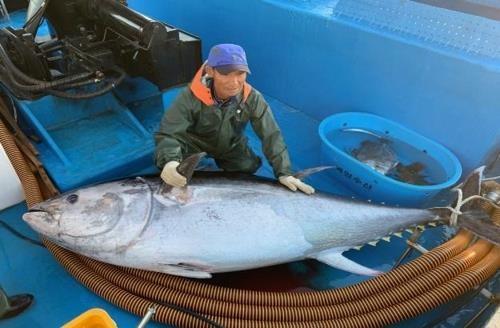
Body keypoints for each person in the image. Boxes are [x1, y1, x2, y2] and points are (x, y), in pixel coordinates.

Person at [154, 43, 314, 194]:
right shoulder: (188, 97)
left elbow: (271, 134)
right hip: (194, 144)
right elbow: (169, 133)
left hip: (230, 145)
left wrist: (284, 172)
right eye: (225, 73)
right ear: (210, 71)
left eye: (240, 73)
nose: (234, 82)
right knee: (170, 173)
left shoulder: (253, 98)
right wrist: (170, 161)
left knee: (249, 166)